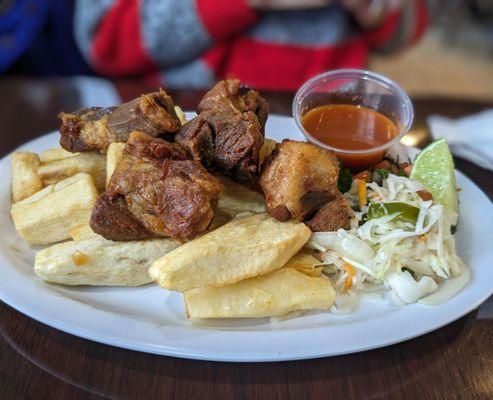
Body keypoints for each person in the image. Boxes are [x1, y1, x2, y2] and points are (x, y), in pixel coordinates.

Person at [2, 0, 427, 91]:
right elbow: (108, 44)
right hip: (177, 109)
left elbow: (402, 32)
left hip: (321, 112)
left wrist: (377, 10)